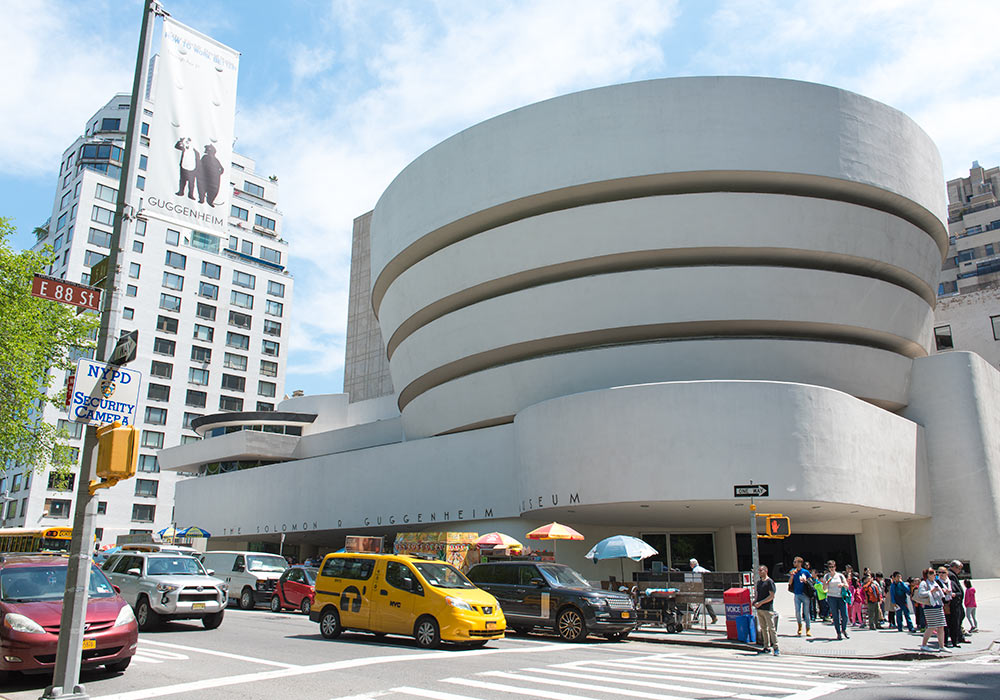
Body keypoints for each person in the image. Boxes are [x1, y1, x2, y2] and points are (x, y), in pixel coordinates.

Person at [917, 567, 947, 653]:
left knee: (941, 626)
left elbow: (940, 593)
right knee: (932, 626)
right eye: (931, 573)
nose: (934, 575)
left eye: (934, 573)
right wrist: (931, 591)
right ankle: (924, 644)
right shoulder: (924, 583)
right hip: (930, 606)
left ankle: (941, 646)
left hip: (938, 605)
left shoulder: (935, 582)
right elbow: (921, 594)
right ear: (927, 575)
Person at [754, 564, 779, 655]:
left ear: (766, 571)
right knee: (763, 628)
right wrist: (755, 602)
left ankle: (776, 647)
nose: (760, 572)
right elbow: (757, 594)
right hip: (760, 608)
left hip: (767, 608)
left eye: (761, 570)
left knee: (771, 628)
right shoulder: (759, 582)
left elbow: (771, 596)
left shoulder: (769, 582)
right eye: (759, 571)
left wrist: (761, 603)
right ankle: (766, 646)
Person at [822, 560, 849, 640]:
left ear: (835, 567)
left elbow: (847, 585)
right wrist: (826, 584)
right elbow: (824, 589)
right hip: (831, 597)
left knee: (845, 616)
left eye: (833, 567)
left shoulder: (840, 576)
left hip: (840, 597)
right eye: (830, 567)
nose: (831, 569)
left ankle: (843, 629)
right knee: (835, 616)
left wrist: (842, 585)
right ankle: (838, 632)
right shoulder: (826, 576)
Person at [788, 556, 812, 636]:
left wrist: (806, 581)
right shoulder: (793, 571)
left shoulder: (805, 572)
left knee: (806, 612)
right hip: (797, 594)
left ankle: (808, 629)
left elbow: (811, 582)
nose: (794, 563)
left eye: (795, 562)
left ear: (800, 563)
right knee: (797, 612)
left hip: (805, 594)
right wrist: (791, 576)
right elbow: (790, 583)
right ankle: (799, 627)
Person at [689, 558, 718, 624]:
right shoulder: (702, 569)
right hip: (706, 588)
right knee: (705, 602)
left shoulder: (695, 570)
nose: (690, 565)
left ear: (693, 564)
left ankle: (696, 618)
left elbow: (695, 581)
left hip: (700, 588)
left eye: (690, 564)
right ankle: (713, 617)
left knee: (697, 602)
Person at [946, 560, 966, 646]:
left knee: (960, 617)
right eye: (959, 568)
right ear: (954, 567)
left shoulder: (953, 575)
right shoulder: (950, 575)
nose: (960, 570)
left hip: (957, 601)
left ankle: (959, 636)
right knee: (955, 620)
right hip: (954, 602)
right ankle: (956, 637)